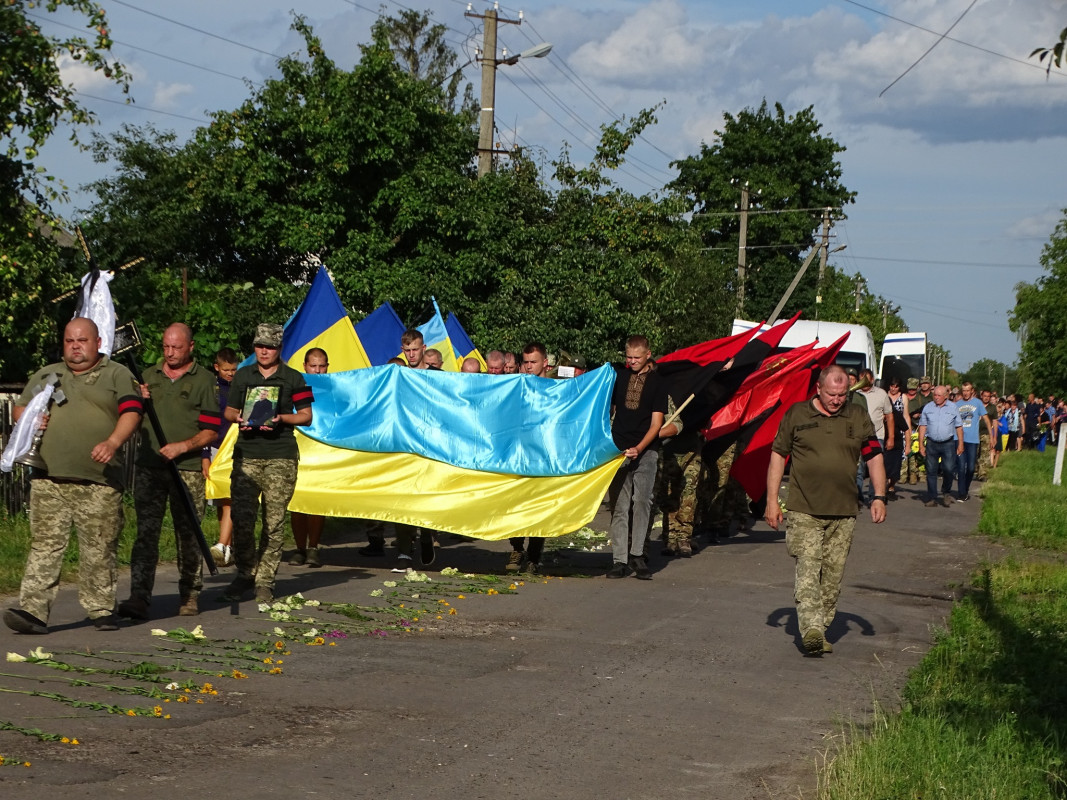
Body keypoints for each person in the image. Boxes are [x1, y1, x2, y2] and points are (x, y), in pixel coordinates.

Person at [4, 318, 144, 635]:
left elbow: (133, 411)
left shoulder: (117, 374)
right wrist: (28, 420)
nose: (75, 346)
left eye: (82, 340)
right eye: (69, 341)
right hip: (48, 478)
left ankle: (101, 608)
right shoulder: (47, 374)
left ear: (97, 342)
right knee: (45, 546)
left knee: (99, 547)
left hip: (98, 481)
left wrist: (113, 442)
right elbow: (20, 407)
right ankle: (32, 612)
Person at [765, 365, 886, 657]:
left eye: (843, 394)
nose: (837, 400)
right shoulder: (797, 414)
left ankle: (821, 627)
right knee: (808, 567)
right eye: (832, 394)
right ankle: (811, 630)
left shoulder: (857, 415)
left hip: (844, 511)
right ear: (818, 389)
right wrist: (772, 500)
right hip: (804, 508)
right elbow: (778, 456)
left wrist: (879, 496)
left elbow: (873, 456)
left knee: (831, 578)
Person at [120, 323, 220, 620]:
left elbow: (211, 430)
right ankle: (139, 596)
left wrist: (182, 446)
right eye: (165, 346)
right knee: (145, 534)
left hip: (186, 468)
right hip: (150, 467)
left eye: (176, 347)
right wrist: (138, 402)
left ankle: (190, 594)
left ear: (190, 346)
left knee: (188, 534)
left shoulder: (204, 380)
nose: (170, 352)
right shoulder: (147, 378)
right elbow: (130, 419)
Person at [219, 323, 314, 603]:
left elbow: (306, 415)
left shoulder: (294, 378)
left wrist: (283, 418)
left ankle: (265, 581)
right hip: (247, 454)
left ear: (279, 349)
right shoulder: (243, 376)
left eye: (269, 347)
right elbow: (229, 410)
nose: (264, 351)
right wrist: (236, 418)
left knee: (273, 523)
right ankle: (245, 573)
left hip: (280, 456)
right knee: (243, 520)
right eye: (260, 345)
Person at [606, 336, 666, 580]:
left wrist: (640, 448)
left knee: (642, 501)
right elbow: (608, 409)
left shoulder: (658, 382)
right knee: (619, 506)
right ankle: (619, 559)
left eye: (636, 358)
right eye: (628, 357)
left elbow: (657, 423)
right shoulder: (619, 377)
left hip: (646, 449)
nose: (631, 361)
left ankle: (638, 554)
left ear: (648, 354)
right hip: (618, 448)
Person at [505, 342, 553, 574]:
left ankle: (534, 555)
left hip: (544, 457)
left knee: (539, 507)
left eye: (533, 362)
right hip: (518, 455)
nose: (529, 367)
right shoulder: (515, 386)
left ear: (545, 362)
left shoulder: (556, 389)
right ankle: (517, 548)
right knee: (514, 504)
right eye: (525, 362)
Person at [289, 348, 329, 568]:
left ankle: (313, 547)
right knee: (297, 501)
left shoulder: (334, 387)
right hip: (298, 450)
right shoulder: (295, 385)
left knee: (316, 502)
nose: (317, 370)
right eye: (313, 365)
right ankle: (299, 548)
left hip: (321, 451)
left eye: (322, 365)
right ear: (304, 366)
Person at [205, 348, 239, 568]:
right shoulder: (211, 390)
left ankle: (221, 545)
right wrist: (204, 455)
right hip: (215, 448)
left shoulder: (239, 388)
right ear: (217, 368)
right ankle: (228, 547)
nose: (230, 374)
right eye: (226, 370)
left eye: (234, 370)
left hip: (234, 449)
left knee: (229, 498)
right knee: (220, 500)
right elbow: (205, 422)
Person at [852, 368, 893, 506]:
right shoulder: (853, 393)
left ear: (872, 379)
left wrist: (891, 437)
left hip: (876, 435)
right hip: (858, 436)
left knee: (874, 466)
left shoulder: (881, 394)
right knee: (858, 468)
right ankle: (857, 496)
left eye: (866, 379)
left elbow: (889, 415)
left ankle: (873, 497)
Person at [918, 385, 963, 508]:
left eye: (939, 395)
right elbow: (922, 426)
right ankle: (932, 497)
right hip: (932, 443)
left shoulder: (953, 407)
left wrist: (961, 443)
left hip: (948, 443)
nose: (936, 398)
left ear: (946, 396)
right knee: (931, 470)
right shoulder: (928, 407)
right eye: (935, 395)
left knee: (948, 469)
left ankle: (946, 492)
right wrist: (921, 444)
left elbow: (959, 426)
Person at [954, 381, 992, 502]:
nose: (965, 393)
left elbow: (986, 419)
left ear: (972, 391)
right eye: (963, 390)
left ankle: (965, 489)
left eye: (967, 390)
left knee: (970, 468)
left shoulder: (978, 403)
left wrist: (992, 436)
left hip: (972, 440)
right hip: (959, 439)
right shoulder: (957, 404)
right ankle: (961, 493)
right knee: (961, 467)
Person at [884, 376, 908, 500]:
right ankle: (883, 488)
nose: (893, 388)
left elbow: (905, 417)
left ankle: (891, 486)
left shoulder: (903, 397)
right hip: (884, 434)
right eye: (892, 386)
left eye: (896, 386)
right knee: (885, 465)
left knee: (895, 466)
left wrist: (908, 443)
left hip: (899, 433)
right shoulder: (884, 396)